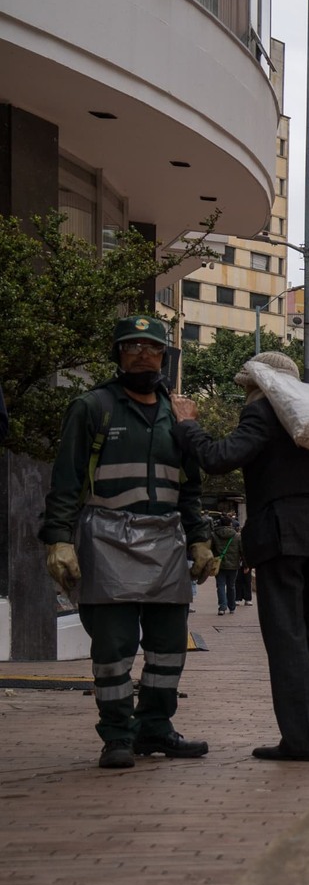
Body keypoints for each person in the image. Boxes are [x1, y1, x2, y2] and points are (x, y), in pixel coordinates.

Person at [171, 352, 309, 761]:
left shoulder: (265, 412)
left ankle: (302, 740)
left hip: (280, 536)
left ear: (259, 383)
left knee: (286, 636)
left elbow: (219, 458)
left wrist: (188, 426)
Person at [39, 315, 215, 768]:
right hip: (107, 539)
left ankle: (155, 729)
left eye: (151, 348)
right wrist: (59, 540)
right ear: (118, 354)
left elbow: (189, 487)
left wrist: (200, 539)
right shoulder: (92, 407)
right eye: (132, 346)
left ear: (164, 357)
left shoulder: (179, 415)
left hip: (166, 543)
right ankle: (117, 734)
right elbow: (66, 481)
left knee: (168, 647)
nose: (142, 354)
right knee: (113, 650)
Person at [214, 517, 242, 616]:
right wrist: (246, 564)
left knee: (220, 586)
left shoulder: (215, 535)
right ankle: (232, 607)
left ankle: (222, 607)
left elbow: (212, 550)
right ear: (230, 524)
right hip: (234, 565)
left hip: (219, 565)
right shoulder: (237, 536)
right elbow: (242, 551)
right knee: (231, 586)